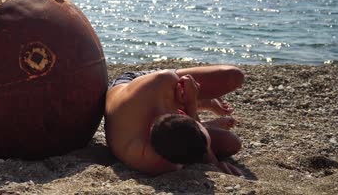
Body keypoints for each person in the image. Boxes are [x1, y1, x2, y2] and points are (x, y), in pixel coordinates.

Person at [104, 65, 245, 176]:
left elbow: (195, 145)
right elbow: (198, 149)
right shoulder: (162, 165)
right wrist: (191, 101)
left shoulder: (162, 81)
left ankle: (203, 104)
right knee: (231, 144)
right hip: (135, 107)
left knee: (234, 76)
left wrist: (190, 100)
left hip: (132, 85)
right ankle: (202, 106)